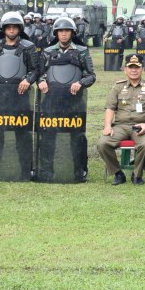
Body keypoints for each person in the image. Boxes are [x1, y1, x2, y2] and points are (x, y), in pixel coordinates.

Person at [0, 11, 41, 182]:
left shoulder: (28, 47)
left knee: (22, 134)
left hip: (20, 95)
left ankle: (26, 168)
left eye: (15, 27)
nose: (12, 30)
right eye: (9, 27)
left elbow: (35, 69)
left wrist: (28, 80)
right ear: (4, 29)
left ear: (20, 28)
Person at [36, 16, 96, 183]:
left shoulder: (81, 51)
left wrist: (80, 83)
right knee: (48, 136)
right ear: (56, 33)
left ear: (72, 33)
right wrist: (41, 81)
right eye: (61, 31)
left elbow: (91, 76)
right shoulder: (48, 51)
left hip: (74, 102)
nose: (63, 34)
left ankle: (79, 171)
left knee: (76, 137)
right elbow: (39, 73)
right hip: (51, 101)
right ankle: (46, 171)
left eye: (67, 31)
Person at [97, 54, 145, 186]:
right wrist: (107, 126)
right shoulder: (118, 87)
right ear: (125, 69)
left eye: (137, 67)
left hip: (141, 126)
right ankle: (118, 173)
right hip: (120, 126)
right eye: (130, 67)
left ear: (142, 69)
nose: (134, 70)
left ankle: (137, 174)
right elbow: (110, 108)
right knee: (102, 143)